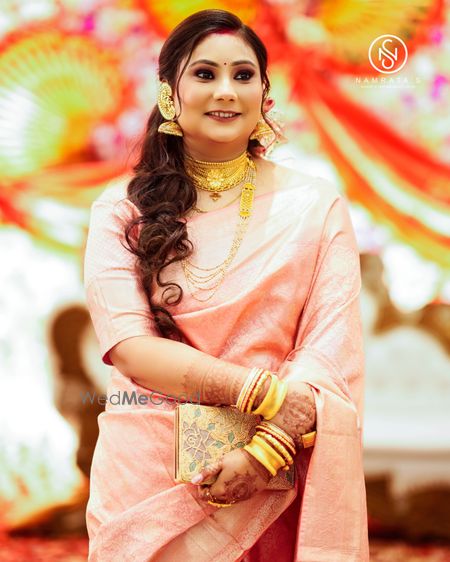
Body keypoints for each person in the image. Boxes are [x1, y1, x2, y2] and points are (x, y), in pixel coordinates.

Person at [83, 8, 369, 562]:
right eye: (204, 73)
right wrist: (266, 396)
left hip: (271, 470)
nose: (226, 91)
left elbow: (330, 349)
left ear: (264, 94)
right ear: (169, 93)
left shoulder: (313, 207)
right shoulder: (121, 209)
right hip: (148, 470)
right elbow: (131, 347)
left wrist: (267, 450)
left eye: (243, 75)